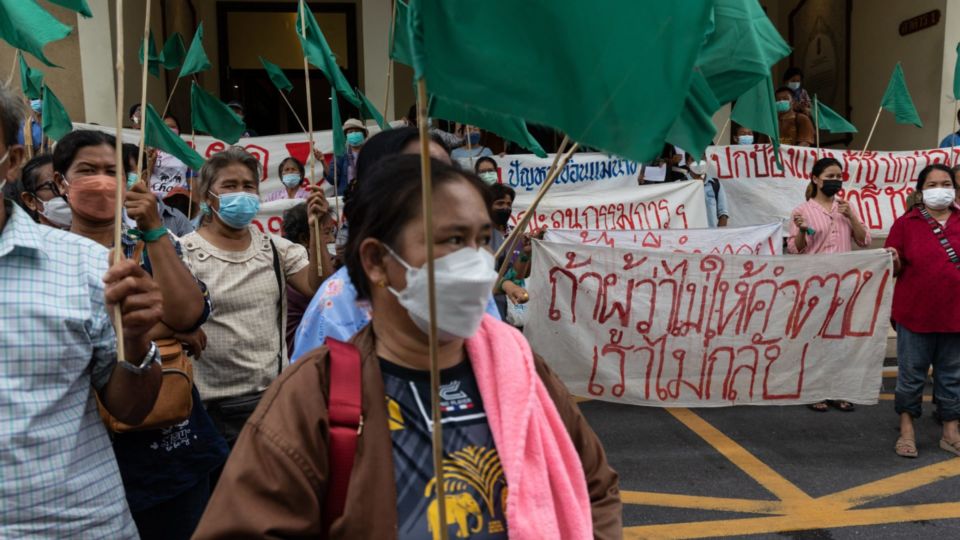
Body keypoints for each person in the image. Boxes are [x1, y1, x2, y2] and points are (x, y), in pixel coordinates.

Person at [193, 155, 622, 538]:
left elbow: (595, 489)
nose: (475, 263)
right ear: (377, 262)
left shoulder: (522, 368)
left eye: (479, 240)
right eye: (451, 241)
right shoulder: (313, 393)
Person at [0, 86, 164, 538]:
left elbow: (130, 408)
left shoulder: (90, 265)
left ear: (12, 160)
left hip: (80, 524)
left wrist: (137, 341)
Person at [53, 129, 227, 540]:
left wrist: (151, 228)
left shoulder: (153, 244)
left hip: (173, 455)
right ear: (62, 183)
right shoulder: (51, 256)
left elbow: (189, 315)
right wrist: (159, 325)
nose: (100, 181)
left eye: (112, 171)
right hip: (89, 463)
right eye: (86, 171)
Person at [291, 127, 500, 362]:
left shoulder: (471, 290)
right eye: (421, 175)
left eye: (447, 172)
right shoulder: (336, 309)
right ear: (376, 259)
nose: (444, 187)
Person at [180, 147, 329, 447]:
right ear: (209, 197)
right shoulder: (183, 253)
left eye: (248, 186)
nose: (241, 193)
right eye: (230, 186)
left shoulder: (276, 248)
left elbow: (318, 286)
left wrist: (316, 231)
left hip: (270, 399)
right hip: (208, 408)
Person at [885, 163, 960, 458]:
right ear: (920, 191)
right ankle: (907, 429)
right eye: (932, 185)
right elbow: (894, 267)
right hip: (915, 315)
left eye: (945, 183)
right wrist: (891, 258)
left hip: (955, 315)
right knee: (911, 375)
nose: (939, 189)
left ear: (954, 189)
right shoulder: (905, 224)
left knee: (952, 375)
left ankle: (950, 431)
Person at [787, 157, 870, 412]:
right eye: (829, 177)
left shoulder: (845, 207)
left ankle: (838, 389)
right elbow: (795, 249)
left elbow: (864, 241)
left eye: (838, 177)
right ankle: (814, 389)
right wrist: (801, 230)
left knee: (840, 338)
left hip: (844, 284)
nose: (835, 181)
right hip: (814, 284)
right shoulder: (802, 211)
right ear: (815, 179)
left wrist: (851, 216)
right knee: (815, 337)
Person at [282, 202, 336, 354]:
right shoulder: (296, 276)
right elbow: (328, 297)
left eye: (333, 232)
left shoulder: (329, 265)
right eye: (326, 233)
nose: (332, 239)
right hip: (302, 354)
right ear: (305, 239)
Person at [123, 142, 194, 236]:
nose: (120, 176)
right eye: (112, 171)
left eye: (127, 170)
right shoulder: (102, 215)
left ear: (144, 175)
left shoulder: (176, 219)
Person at [16, 154, 73, 228]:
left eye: (69, 183)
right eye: (54, 186)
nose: (65, 192)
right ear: (30, 200)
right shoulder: (26, 238)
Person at [147, 114, 193, 198]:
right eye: (165, 126)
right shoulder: (151, 151)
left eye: (173, 126)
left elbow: (192, 179)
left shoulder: (186, 152)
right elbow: (143, 177)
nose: (169, 129)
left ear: (179, 131)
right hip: (155, 200)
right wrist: (150, 161)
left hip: (179, 200)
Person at [325, 118, 368, 193]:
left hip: (367, 197)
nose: (354, 134)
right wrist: (322, 160)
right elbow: (332, 180)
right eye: (350, 132)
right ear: (346, 136)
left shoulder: (372, 153)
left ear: (363, 134)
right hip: (346, 200)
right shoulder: (340, 155)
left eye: (357, 131)